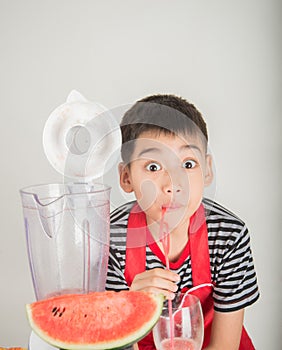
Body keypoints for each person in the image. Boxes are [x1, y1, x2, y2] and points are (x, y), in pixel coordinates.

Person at [106, 94, 259, 349]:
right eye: (153, 167)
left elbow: (225, 345)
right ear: (126, 177)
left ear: (207, 170)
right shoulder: (113, 238)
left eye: (188, 164)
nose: (173, 184)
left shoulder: (229, 236)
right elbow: (115, 341)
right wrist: (130, 311)